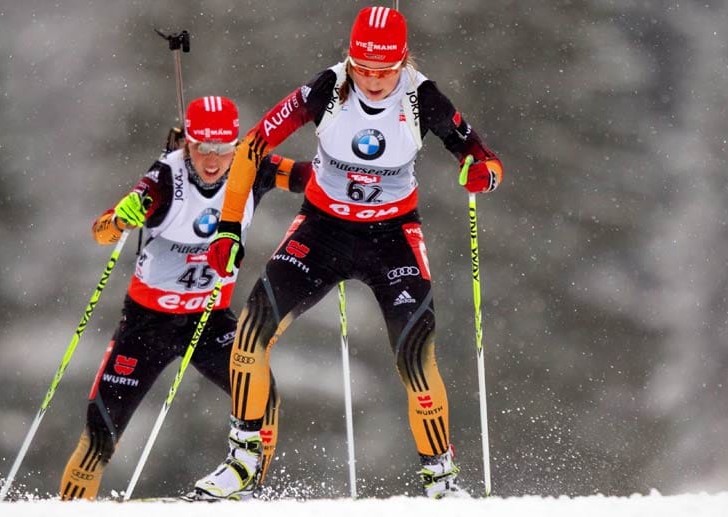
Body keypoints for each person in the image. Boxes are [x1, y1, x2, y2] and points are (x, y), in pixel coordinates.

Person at [187, 7, 504, 501]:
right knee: (249, 336)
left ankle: (442, 482)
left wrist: (481, 172)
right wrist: (229, 229)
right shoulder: (324, 89)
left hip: (392, 237)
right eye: (364, 69)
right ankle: (242, 462)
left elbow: (481, 157)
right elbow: (251, 146)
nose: (374, 82)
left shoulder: (422, 96)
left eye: (385, 71)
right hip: (322, 231)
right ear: (349, 60)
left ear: (403, 62)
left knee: (416, 358)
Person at [59, 95, 312, 500]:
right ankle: (71, 507)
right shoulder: (164, 179)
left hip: (209, 318)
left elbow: (305, 176)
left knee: (263, 395)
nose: (212, 161)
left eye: (222, 149)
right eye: (201, 148)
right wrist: (120, 219)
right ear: (187, 143)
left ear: (236, 144)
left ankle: (251, 491)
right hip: (147, 323)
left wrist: (344, 172)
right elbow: (102, 232)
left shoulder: (251, 164)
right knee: (99, 438)